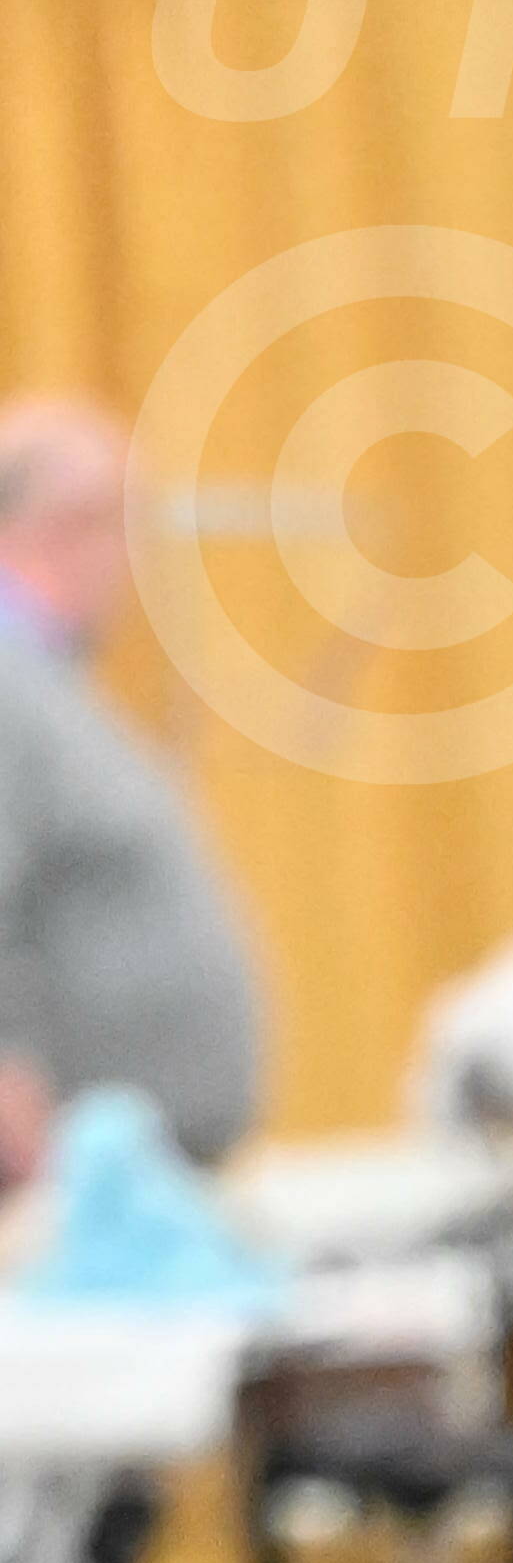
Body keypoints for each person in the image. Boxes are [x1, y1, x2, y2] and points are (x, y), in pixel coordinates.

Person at [0, 399, 264, 1185]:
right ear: (69, 526)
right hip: (67, 1171)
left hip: (130, 1163)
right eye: (124, 531)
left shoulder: (47, 683)